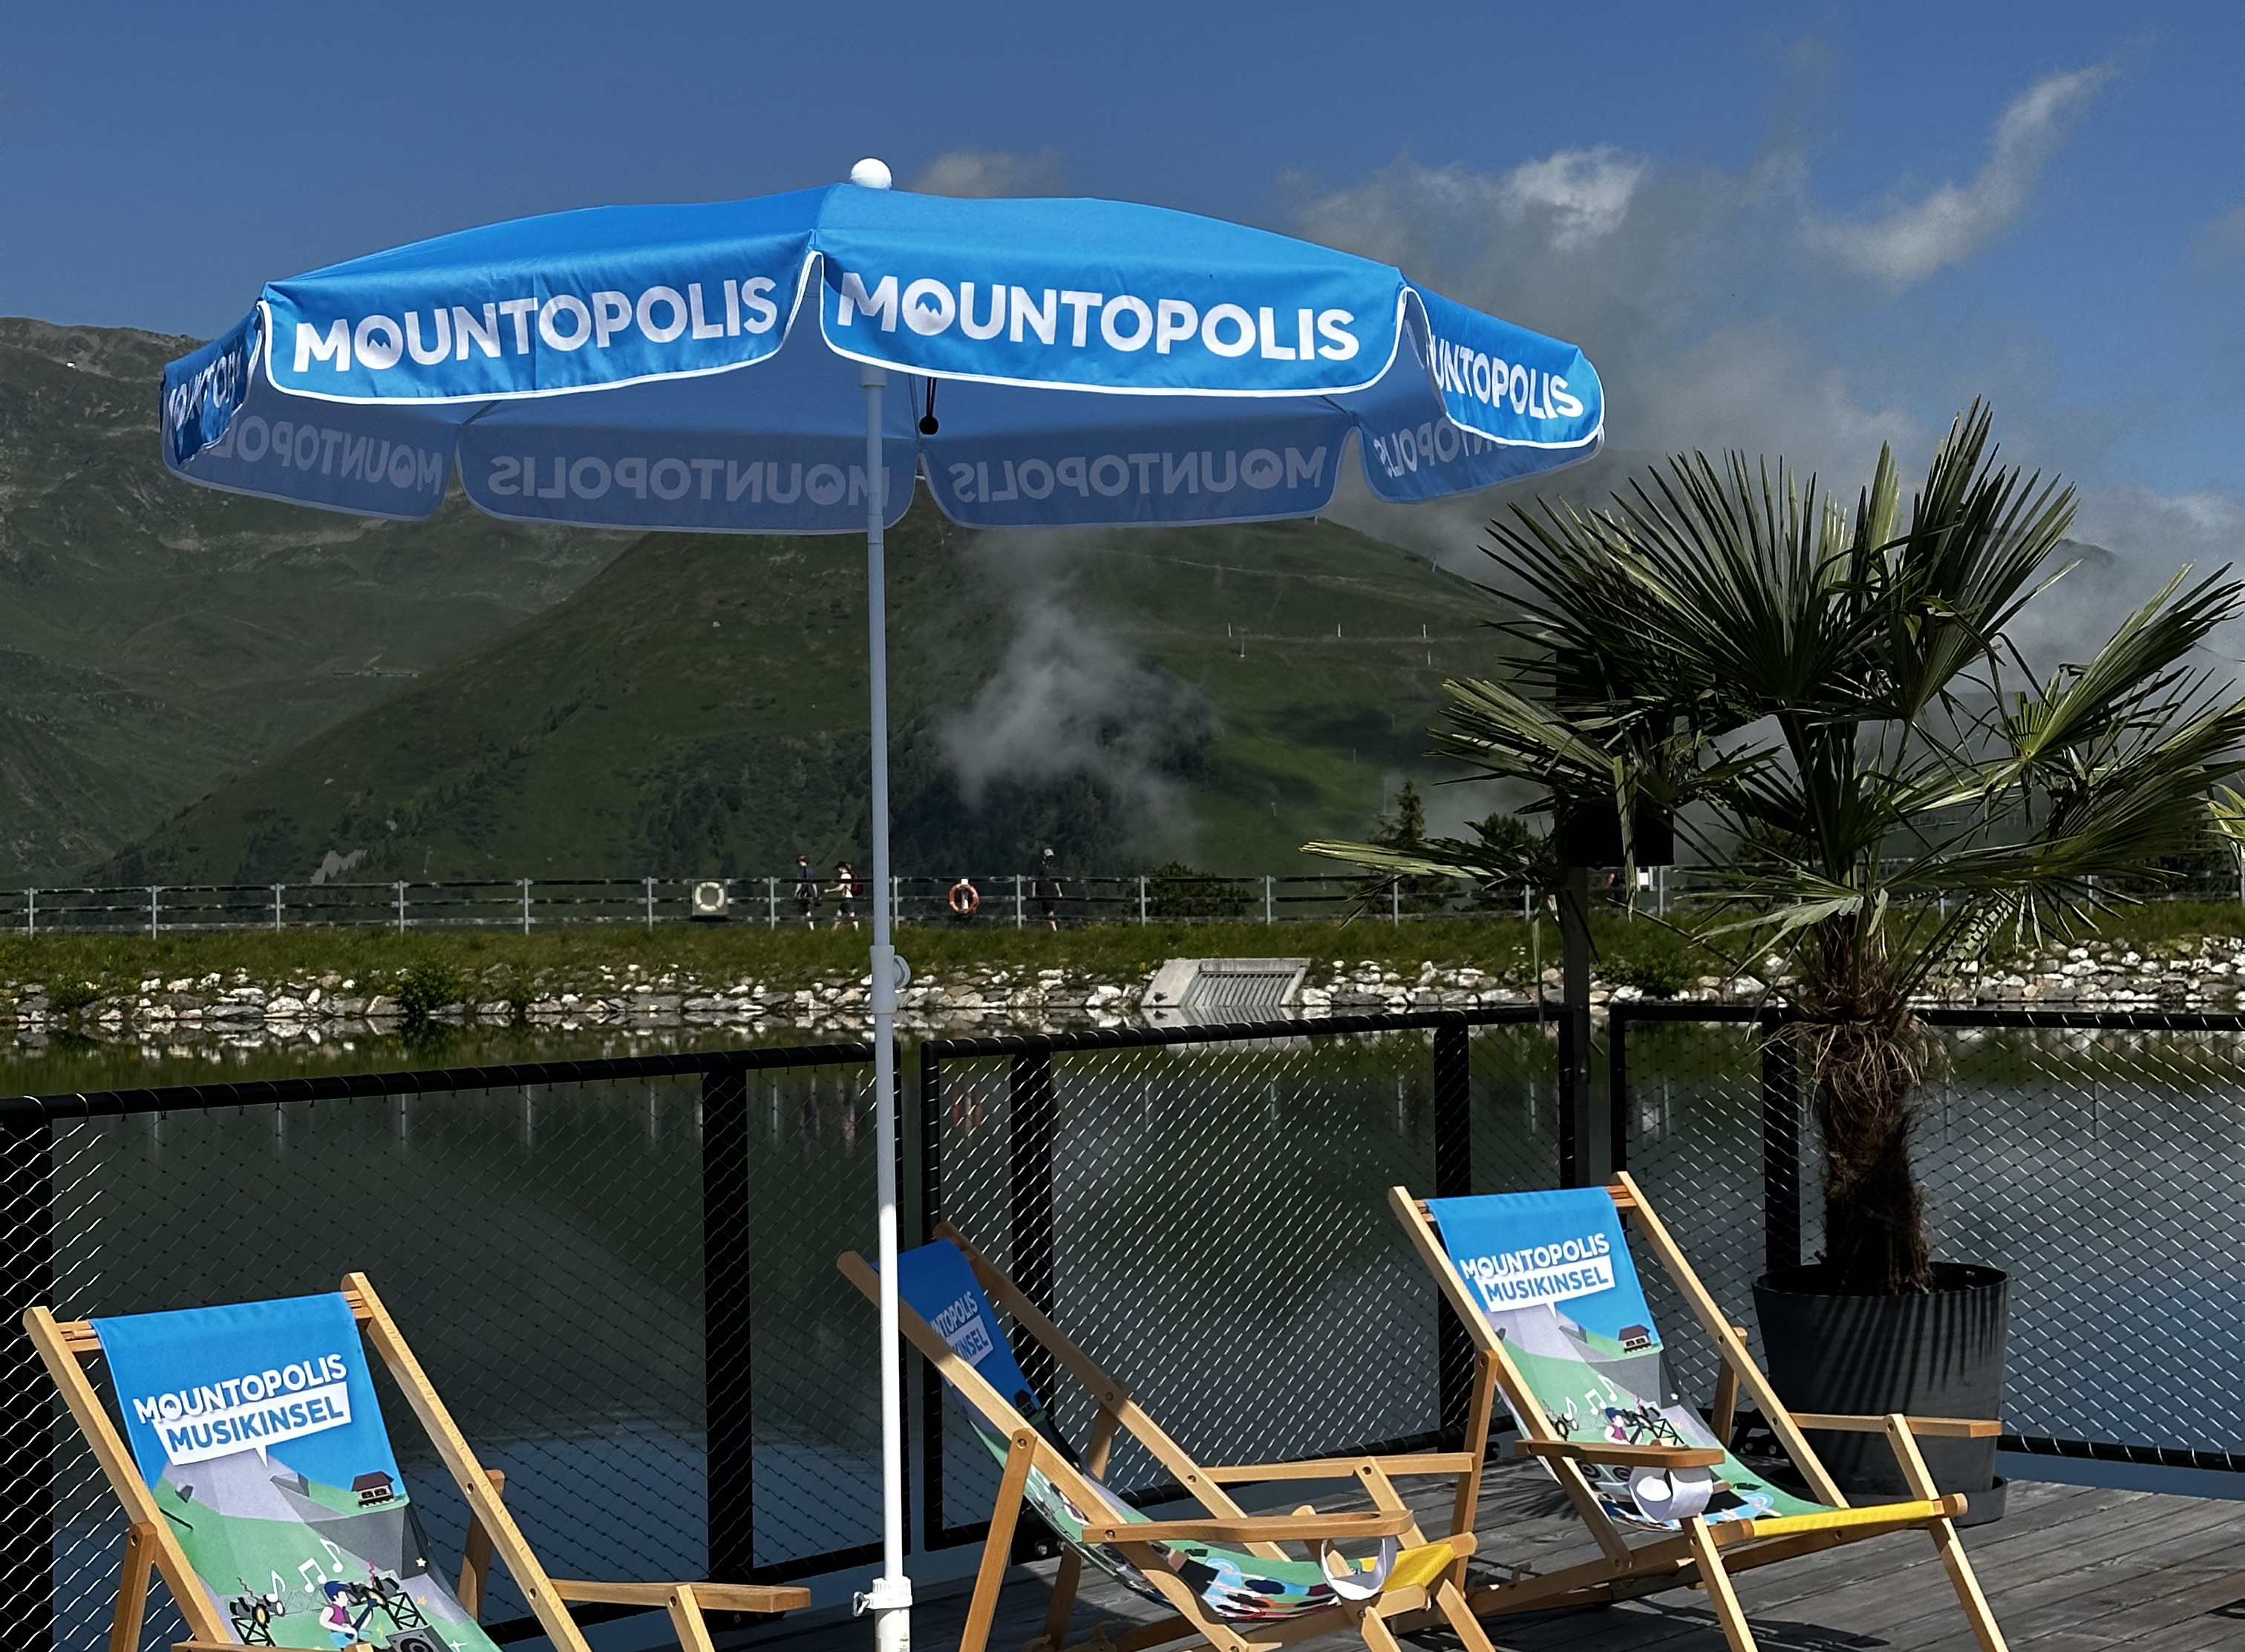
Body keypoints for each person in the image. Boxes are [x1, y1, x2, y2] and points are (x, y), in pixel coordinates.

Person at [1034, 846, 1063, 931]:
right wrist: (1034, 891)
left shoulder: (1051, 869)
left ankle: (1053, 928)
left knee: (1049, 910)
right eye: (1049, 858)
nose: (1051, 860)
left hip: (1051, 891)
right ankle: (1054, 929)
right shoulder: (1041, 868)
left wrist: (1059, 892)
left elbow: (1055, 881)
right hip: (1043, 890)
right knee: (1049, 911)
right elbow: (1035, 879)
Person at [830, 861, 860, 930]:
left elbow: (840, 888)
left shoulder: (845, 876)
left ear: (841, 868)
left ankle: (857, 930)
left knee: (851, 915)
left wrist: (829, 890)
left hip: (847, 898)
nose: (838, 870)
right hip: (847, 898)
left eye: (839, 868)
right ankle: (834, 929)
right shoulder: (848, 875)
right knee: (839, 914)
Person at [792, 855, 819, 927]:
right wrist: (815, 893)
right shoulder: (811, 871)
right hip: (810, 892)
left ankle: (807, 925)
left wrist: (796, 893)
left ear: (801, 862)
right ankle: (810, 925)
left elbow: (799, 883)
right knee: (805, 909)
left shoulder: (801, 871)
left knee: (803, 909)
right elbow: (814, 883)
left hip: (803, 891)